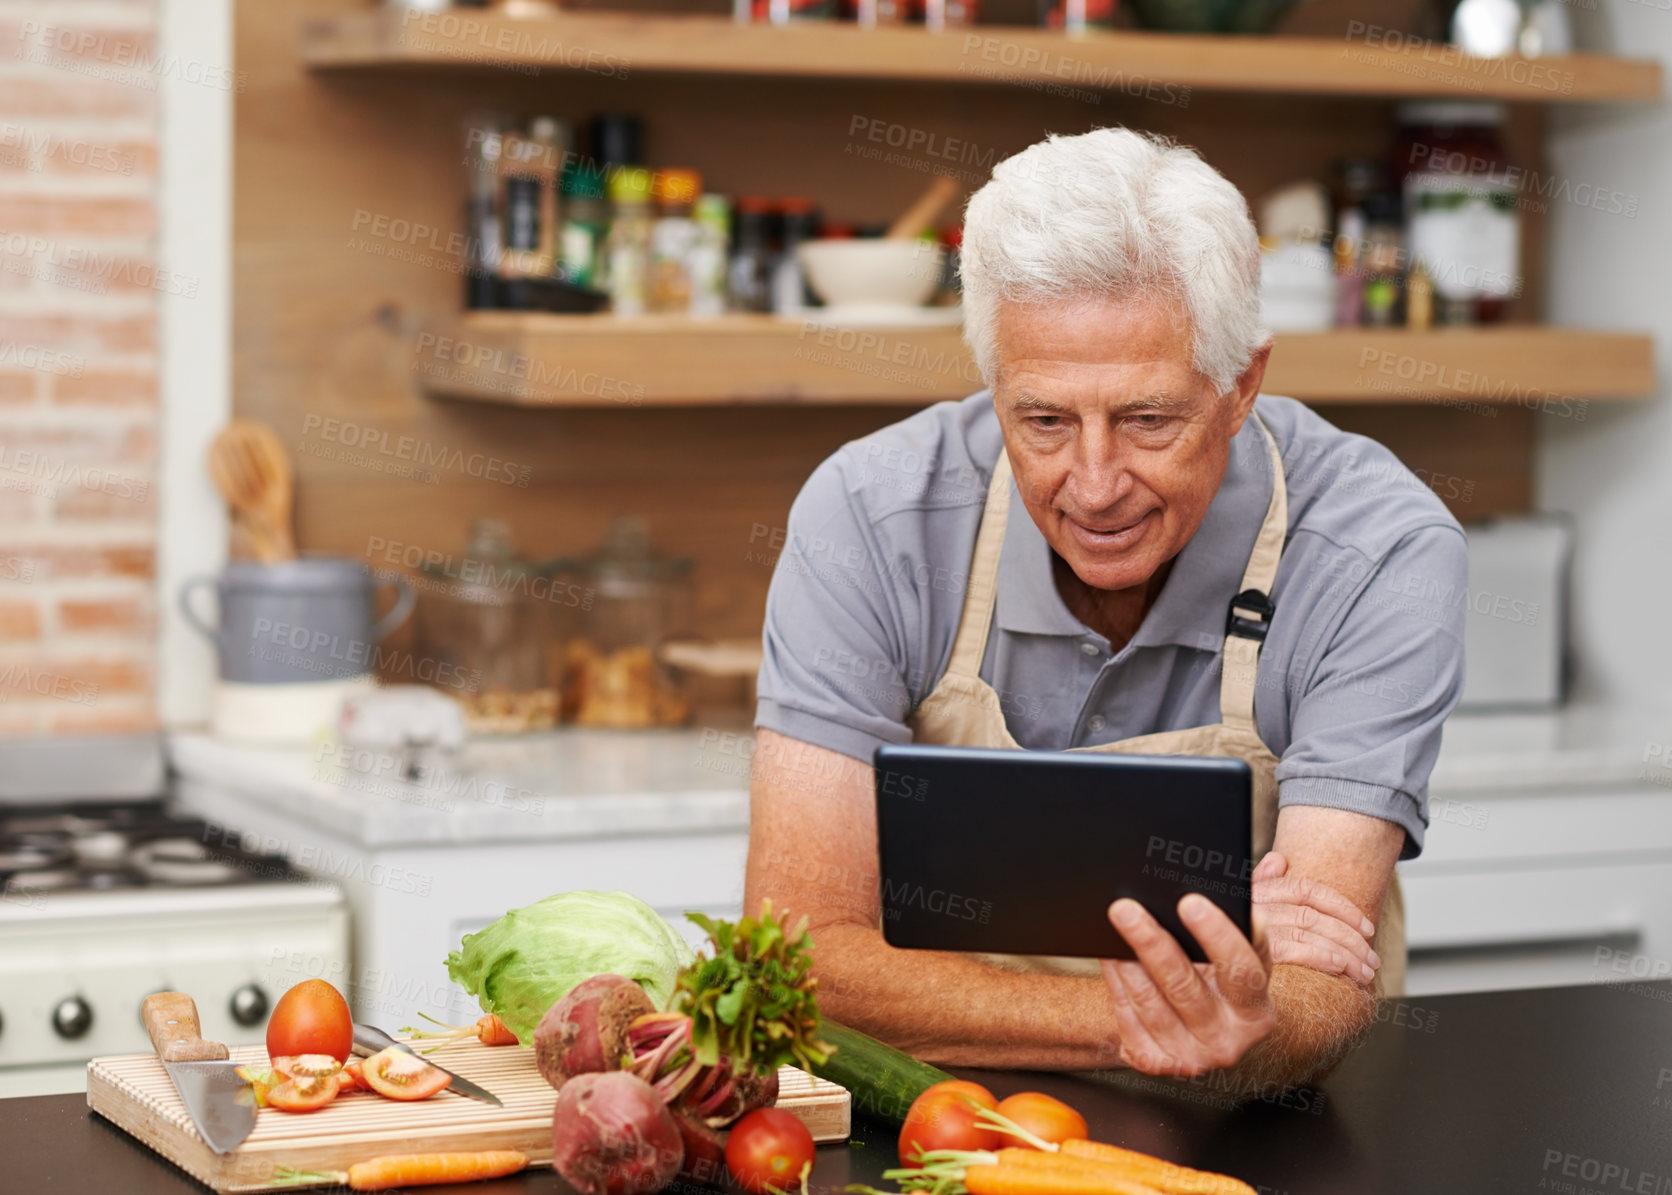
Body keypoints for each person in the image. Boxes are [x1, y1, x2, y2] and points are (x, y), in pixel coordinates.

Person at [745, 128, 1466, 1090]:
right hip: (946, 1123)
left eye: (1147, 420)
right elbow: (795, 963)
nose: (1093, 486)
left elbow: (1316, 994)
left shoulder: (1379, 552)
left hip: (1254, 1124)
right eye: (1042, 421)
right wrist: (1139, 1019)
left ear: (1241, 383)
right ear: (994, 385)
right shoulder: (872, 517)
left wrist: (1257, 1010)